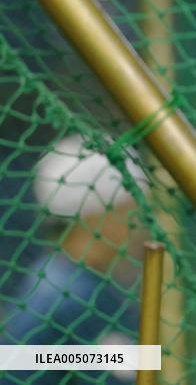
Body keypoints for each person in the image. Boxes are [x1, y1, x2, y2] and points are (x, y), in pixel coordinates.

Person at [1, 134, 148, 385]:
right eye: (128, 210)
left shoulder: (78, 283)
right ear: (97, 215)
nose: (137, 223)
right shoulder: (68, 293)